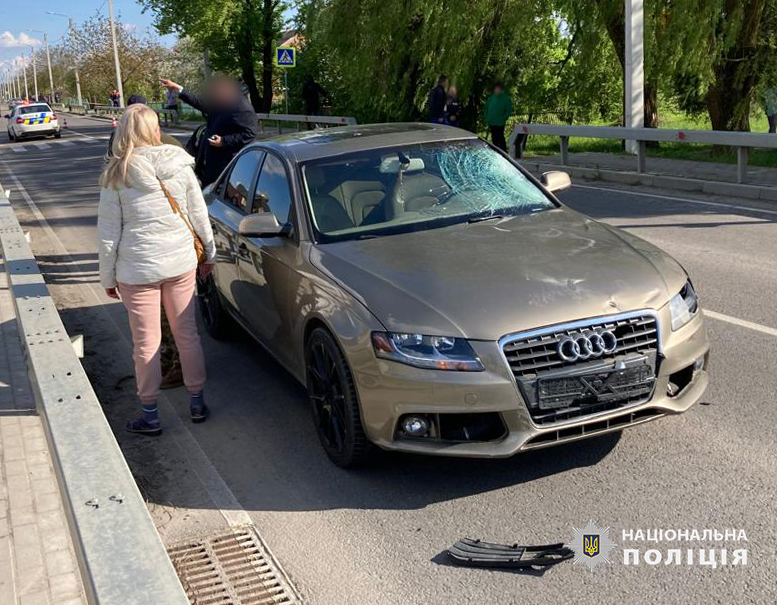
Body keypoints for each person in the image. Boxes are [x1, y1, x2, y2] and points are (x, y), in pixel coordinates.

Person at [97, 104, 216, 435]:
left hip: (137, 271)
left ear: (123, 131)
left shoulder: (116, 175)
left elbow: (108, 235)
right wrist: (209, 254)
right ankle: (196, 404)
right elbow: (198, 214)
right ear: (154, 129)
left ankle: (149, 415)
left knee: (145, 344)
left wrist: (107, 277)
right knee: (187, 335)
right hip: (180, 263)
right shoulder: (178, 164)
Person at [105, 94, 186, 390]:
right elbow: (193, 204)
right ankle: (193, 391)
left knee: (155, 328)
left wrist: (109, 275)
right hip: (177, 253)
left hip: (145, 259)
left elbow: (110, 228)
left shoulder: (120, 161)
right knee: (181, 322)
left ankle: (162, 383)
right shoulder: (174, 149)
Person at [160, 75, 257, 186]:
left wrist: (223, 141)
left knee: (218, 196)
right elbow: (199, 103)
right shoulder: (221, 101)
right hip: (210, 163)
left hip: (226, 166)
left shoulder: (242, 108)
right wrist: (177, 88)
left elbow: (249, 134)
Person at [484, 82, 513, 152]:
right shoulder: (491, 98)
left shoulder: (506, 98)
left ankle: (504, 151)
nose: (497, 90)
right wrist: (486, 117)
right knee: (494, 137)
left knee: (500, 137)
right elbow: (486, 108)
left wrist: (504, 118)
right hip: (491, 121)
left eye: (498, 89)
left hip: (500, 122)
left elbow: (508, 110)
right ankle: (496, 151)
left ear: (501, 90)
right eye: (496, 89)